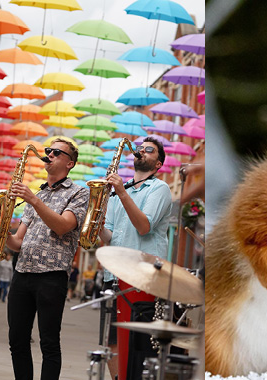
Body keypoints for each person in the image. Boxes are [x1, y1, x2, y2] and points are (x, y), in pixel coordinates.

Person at [5, 139, 88, 380]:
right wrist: (2, 234)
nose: (49, 154)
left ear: (69, 163)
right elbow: (18, 242)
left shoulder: (79, 193)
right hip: (23, 273)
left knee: (49, 342)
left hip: (52, 275)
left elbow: (62, 227)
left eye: (56, 152)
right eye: (48, 151)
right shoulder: (38, 193)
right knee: (17, 340)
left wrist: (33, 200)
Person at [98, 136, 173, 380]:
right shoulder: (121, 190)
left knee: (139, 344)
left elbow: (144, 226)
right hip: (114, 273)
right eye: (140, 148)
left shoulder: (159, 188)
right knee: (112, 343)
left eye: (148, 150)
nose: (141, 150)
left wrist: (119, 191)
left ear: (158, 163)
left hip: (143, 275)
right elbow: (108, 236)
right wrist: (95, 217)